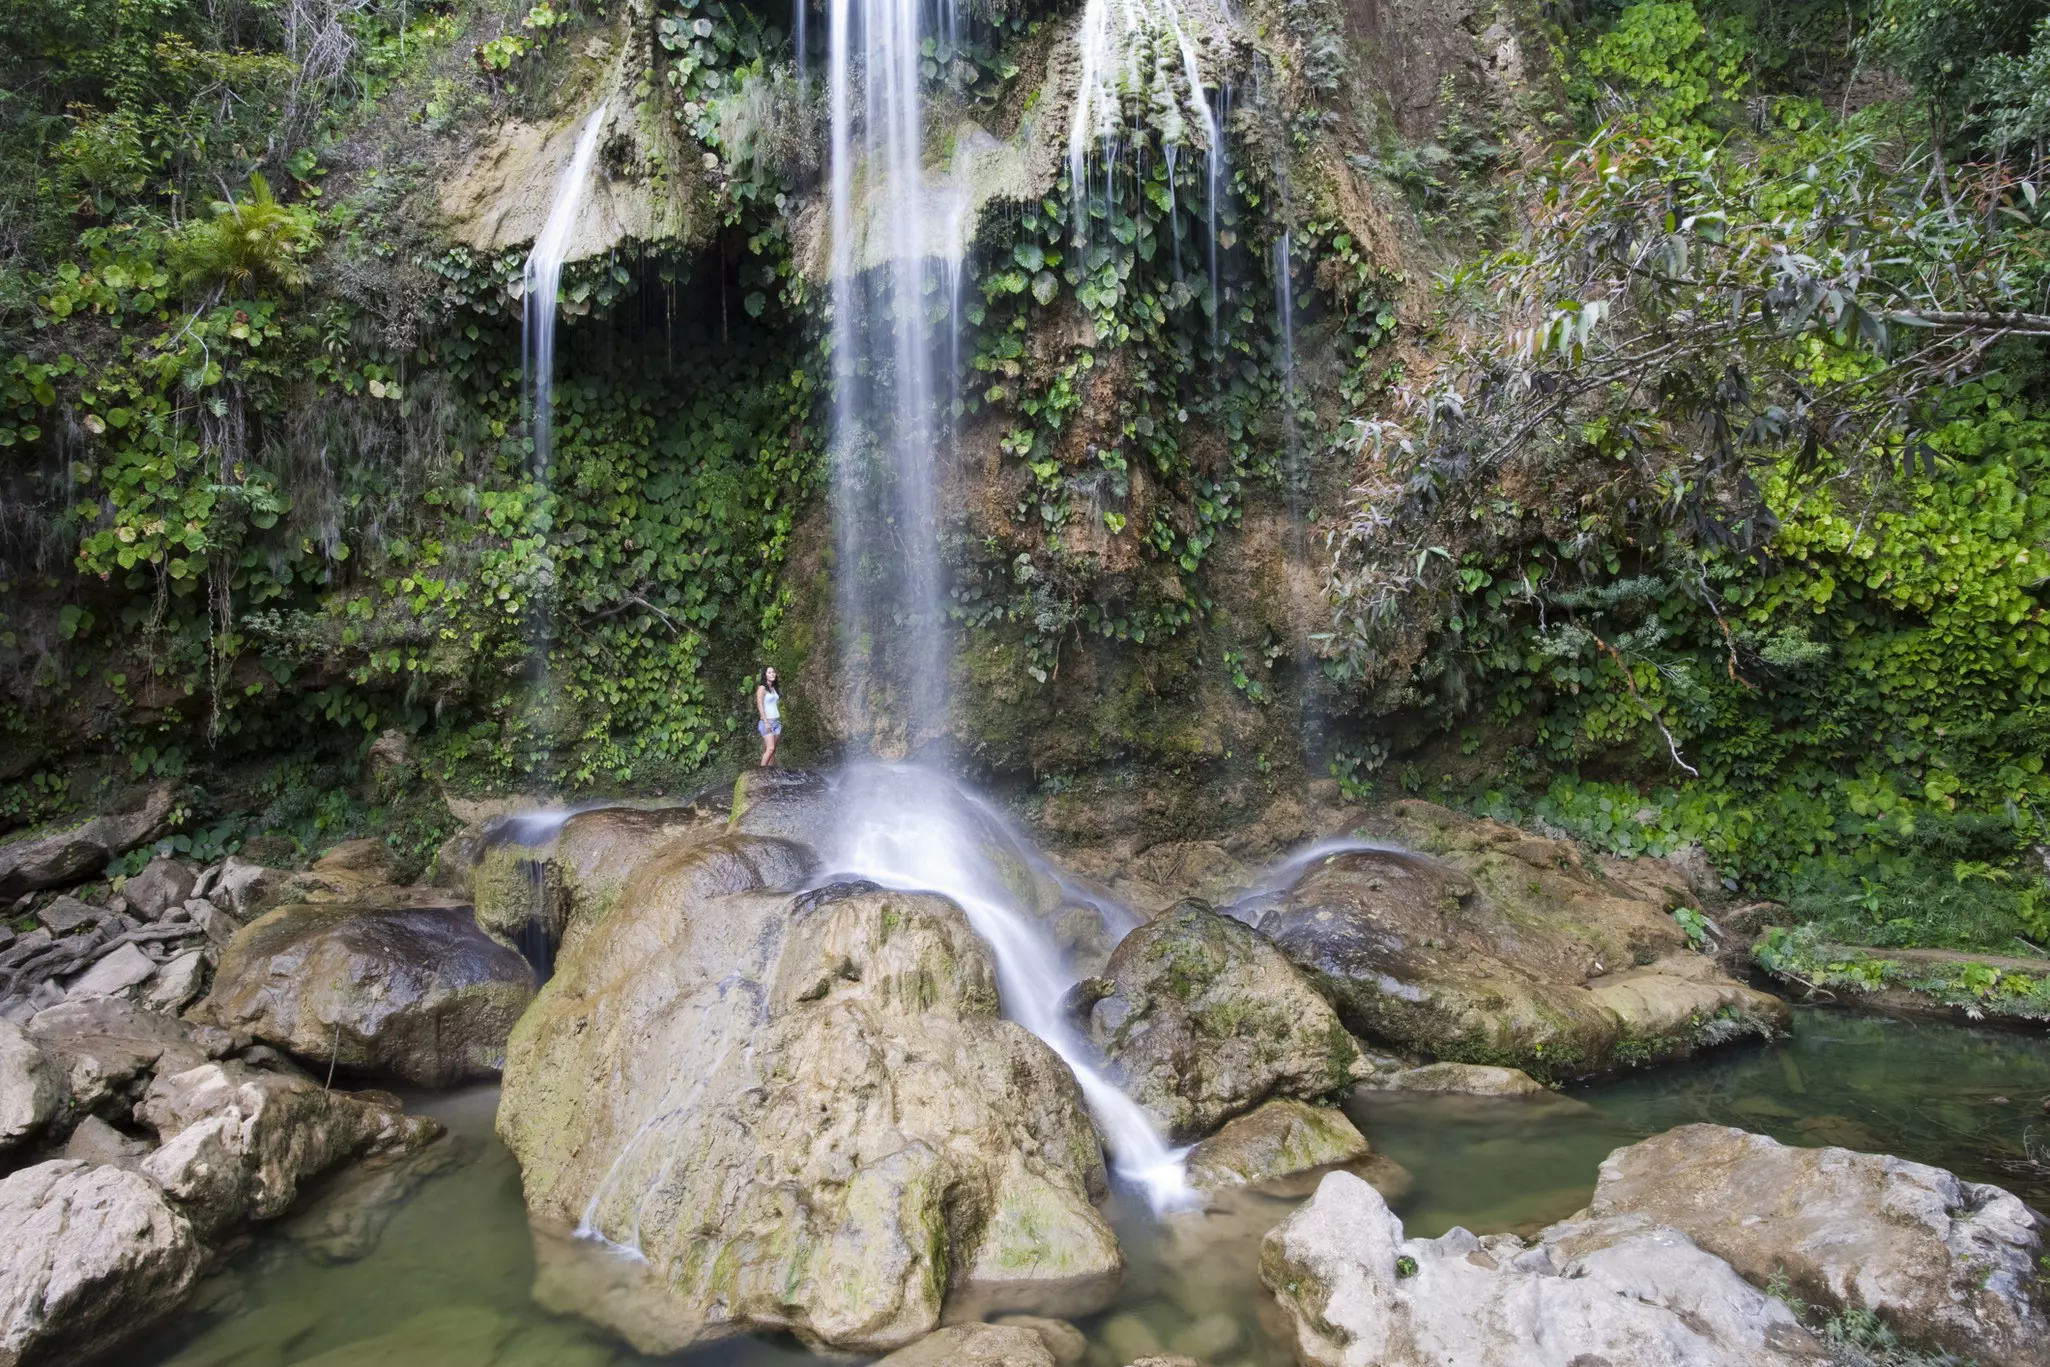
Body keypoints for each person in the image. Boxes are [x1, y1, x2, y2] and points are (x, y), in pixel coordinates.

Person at [755, 666, 782, 767]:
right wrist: (766, 722)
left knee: (773, 750)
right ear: (765, 675)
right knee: (770, 749)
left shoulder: (774, 688)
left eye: (773, 672)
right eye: (769, 672)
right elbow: (760, 705)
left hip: (777, 723)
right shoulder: (762, 688)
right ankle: (761, 772)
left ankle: (771, 772)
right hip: (767, 723)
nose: (772, 674)